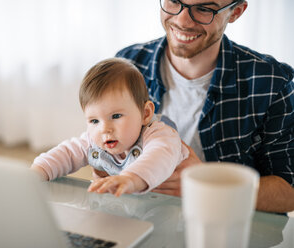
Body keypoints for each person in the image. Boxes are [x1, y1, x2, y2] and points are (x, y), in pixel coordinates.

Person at [109, 0, 294, 213]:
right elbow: (100, 146)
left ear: (235, 12)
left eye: (204, 9)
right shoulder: (127, 64)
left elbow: (288, 191)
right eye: (174, 1)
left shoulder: (272, 82)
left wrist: (206, 185)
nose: (182, 20)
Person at [31, 58, 188, 197]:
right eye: (94, 121)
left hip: (169, 209)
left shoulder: (160, 135)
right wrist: (38, 171)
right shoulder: (93, 141)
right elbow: (67, 153)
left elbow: (158, 156)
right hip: (127, 205)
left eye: (116, 116)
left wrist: (130, 178)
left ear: (145, 113)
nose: (105, 129)